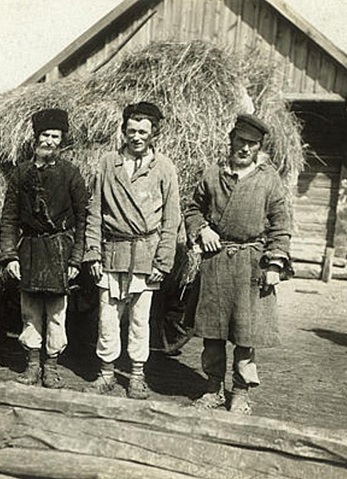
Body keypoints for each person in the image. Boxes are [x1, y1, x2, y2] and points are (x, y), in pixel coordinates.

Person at [183, 113, 292, 414]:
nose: (245, 149)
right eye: (241, 141)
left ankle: (241, 392)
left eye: (252, 144)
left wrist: (274, 264)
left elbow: (281, 225)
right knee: (214, 333)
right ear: (231, 140)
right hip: (217, 261)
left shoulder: (269, 180)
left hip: (251, 264)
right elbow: (193, 209)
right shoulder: (212, 174)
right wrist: (202, 229)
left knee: (246, 335)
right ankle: (213, 388)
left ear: (259, 148)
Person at [84, 101, 180, 399]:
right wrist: (93, 252)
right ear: (123, 132)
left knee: (141, 320)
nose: (136, 137)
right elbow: (95, 210)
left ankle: (137, 375)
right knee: (108, 317)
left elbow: (171, 219)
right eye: (131, 131)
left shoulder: (164, 167)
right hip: (113, 251)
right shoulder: (108, 163)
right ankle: (106, 373)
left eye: (143, 131)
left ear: (154, 134)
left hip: (146, 254)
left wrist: (163, 261)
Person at [0, 108, 88, 388]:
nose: (49, 141)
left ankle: (51, 367)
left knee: (57, 314)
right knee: (30, 312)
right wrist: (9, 255)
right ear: (36, 138)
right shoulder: (21, 173)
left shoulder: (71, 174)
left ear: (61, 141)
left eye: (55, 137)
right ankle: (32, 365)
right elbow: (9, 217)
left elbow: (84, 219)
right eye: (45, 135)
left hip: (60, 250)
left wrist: (76, 259)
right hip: (30, 250)